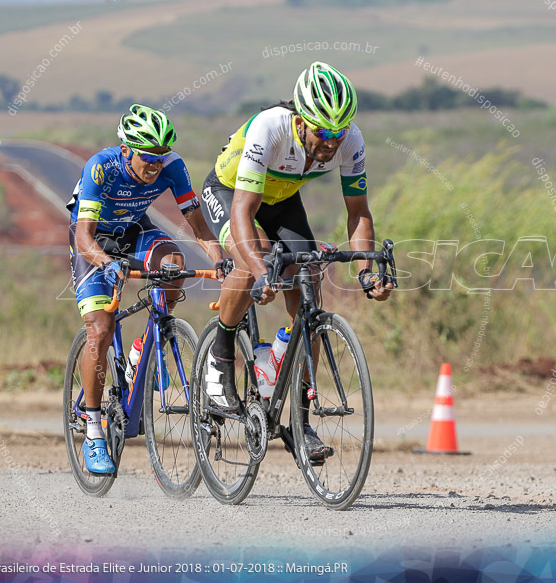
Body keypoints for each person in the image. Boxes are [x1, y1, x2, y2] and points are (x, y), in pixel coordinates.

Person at [199, 61, 392, 464]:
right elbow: (241, 214)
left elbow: (358, 211)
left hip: (281, 199)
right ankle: (219, 359)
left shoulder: (350, 139)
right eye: (322, 131)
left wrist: (366, 272)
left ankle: (301, 422)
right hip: (230, 192)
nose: (331, 142)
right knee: (253, 259)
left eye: (338, 133)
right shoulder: (269, 129)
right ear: (301, 121)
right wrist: (257, 270)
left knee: (307, 293)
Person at [67, 104, 223, 474]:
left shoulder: (172, 167)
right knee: (101, 329)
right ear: (126, 149)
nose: (155, 165)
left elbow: (197, 225)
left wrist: (220, 258)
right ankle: (92, 430)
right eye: (147, 157)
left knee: (175, 266)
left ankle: (144, 349)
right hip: (95, 243)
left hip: (134, 231)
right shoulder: (101, 166)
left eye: (160, 157)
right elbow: (84, 238)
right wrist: (108, 263)